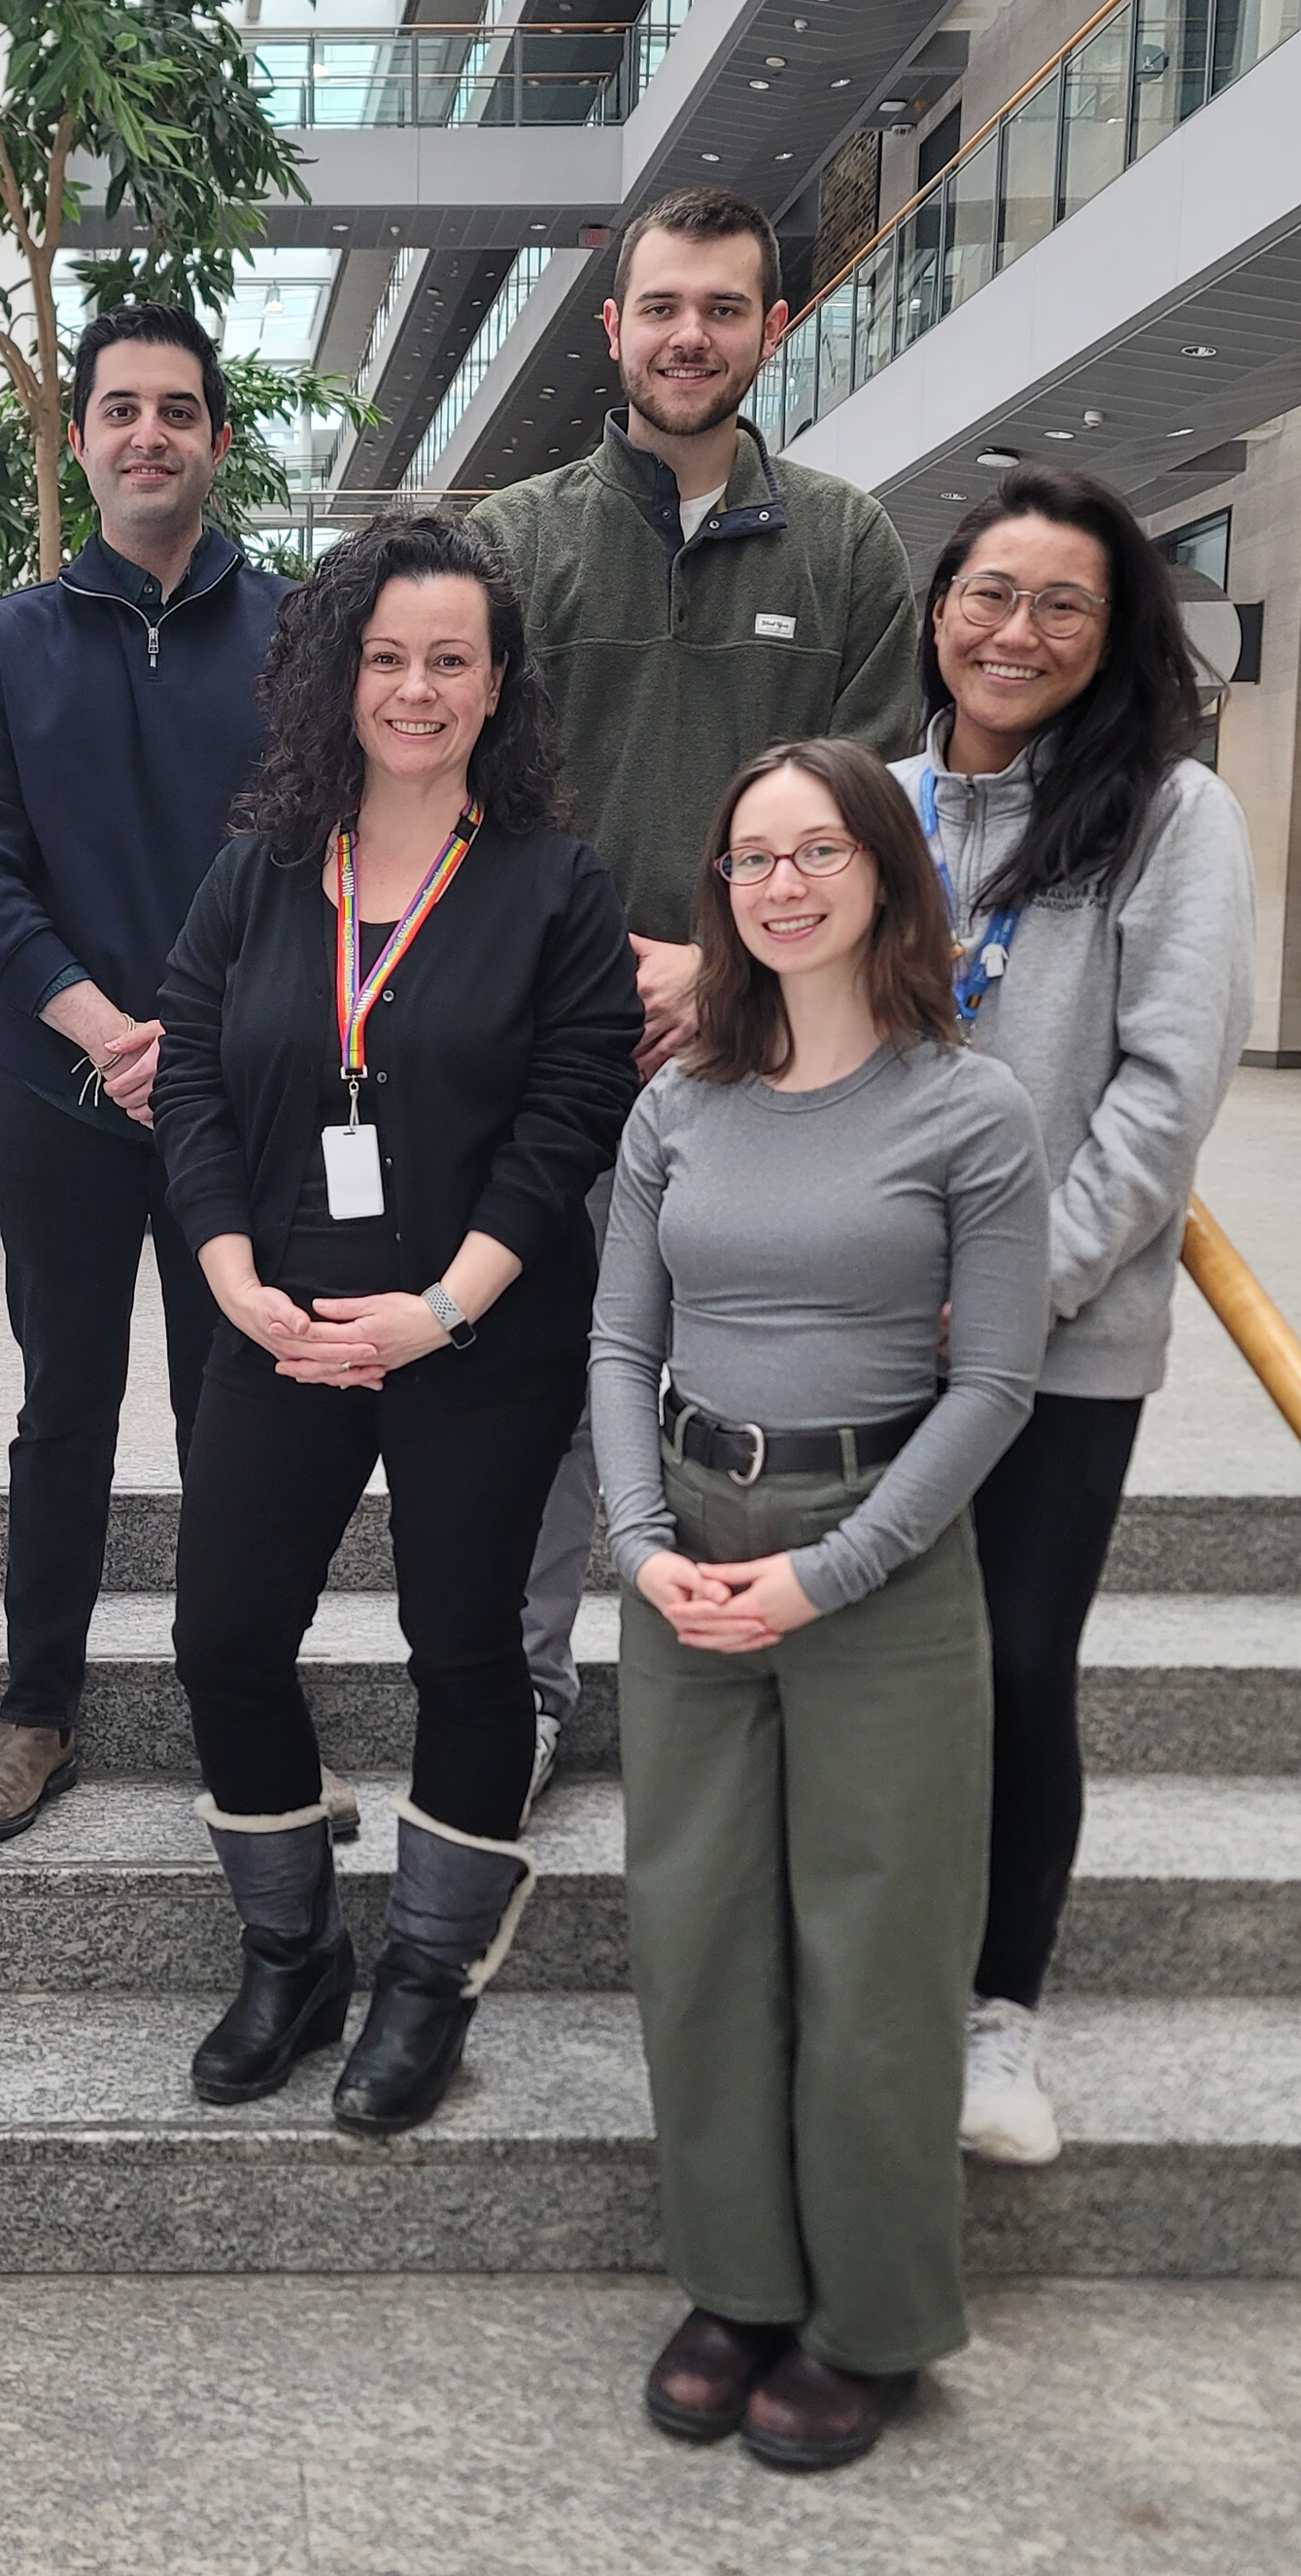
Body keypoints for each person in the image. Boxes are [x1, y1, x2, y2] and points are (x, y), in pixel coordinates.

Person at [591, 738, 1049, 2470]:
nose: (779, 886)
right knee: (700, 1935)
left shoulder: (967, 1106)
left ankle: (871, 2318)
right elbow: (621, 1340)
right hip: (690, 1540)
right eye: (749, 860)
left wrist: (832, 1569)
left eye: (815, 853)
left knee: (878, 1950)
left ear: (883, 872)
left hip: (879, 1552)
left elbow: (996, 1383)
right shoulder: (677, 1106)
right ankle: (738, 2286)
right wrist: (641, 1547)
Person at [153, 515, 640, 2133]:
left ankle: (427, 1981)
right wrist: (231, 1276)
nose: (416, 689)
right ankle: (291, 1952)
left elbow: (566, 1125)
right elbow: (199, 1083)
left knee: (467, 1653)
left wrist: (439, 1308)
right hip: (277, 1314)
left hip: (477, 1331)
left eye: (451, 660)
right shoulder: (263, 872)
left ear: (499, 685)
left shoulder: (554, 886)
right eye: (386, 657)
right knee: (221, 1632)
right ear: (337, 674)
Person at [469, 185, 919, 1791]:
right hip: (554, 1058)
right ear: (614, 327)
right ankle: (521, 1690)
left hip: (779, 1057)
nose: (689, 336)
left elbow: (877, 818)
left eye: (724, 309)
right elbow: (466, 806)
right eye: (662, 307)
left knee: (763, 1392)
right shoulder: (514, 542)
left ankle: (761, 1694)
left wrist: (718, 963)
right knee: (541, 1394)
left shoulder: (854, 548)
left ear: (771, 329)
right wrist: (614, 972)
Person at [896, 467, 1254, 2165]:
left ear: (1114, 643)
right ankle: (871, 1979)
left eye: (1061, 606)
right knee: (878, 1675)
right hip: (865, 1340)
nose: (1014, 631)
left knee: (1017, 1667)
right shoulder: (873, 804)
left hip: (1059, 1342)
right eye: (988, 593)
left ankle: (996, 2017)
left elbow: (1165, 1097)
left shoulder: (1174, 818)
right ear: (939, 606)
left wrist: (1011, 1298)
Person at [0, 304, 299, 1845]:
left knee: (237, 1405)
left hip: (240, 1102)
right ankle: (35, 1709)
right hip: (64, 1094)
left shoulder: (293, 634)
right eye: (121, 409)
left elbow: (315, 862)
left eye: (180, 410)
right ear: (79, 440)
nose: (151, 433)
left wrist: (198, 1048)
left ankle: (242, 1700)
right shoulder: (11, 642)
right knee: (63, 1403)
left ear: (215, 438)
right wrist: (98, 1025)